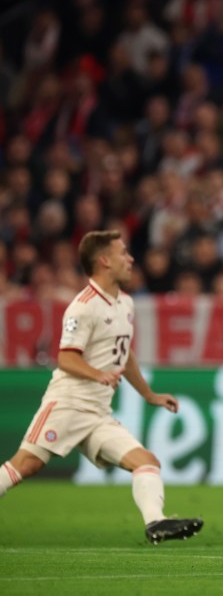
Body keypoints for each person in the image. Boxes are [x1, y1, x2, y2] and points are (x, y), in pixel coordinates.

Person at [0, 231, 203, 544]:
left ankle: (155, 523)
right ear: (104, 260)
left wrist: (149, 394)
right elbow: (66, 357)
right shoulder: (83, 306)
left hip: (97, 412)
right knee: (26, 465)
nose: (130, 259)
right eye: (123, 253)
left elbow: (124, 353)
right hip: (68, 403)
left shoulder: (125, 303)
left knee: (146, 461)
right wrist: (97, 374)